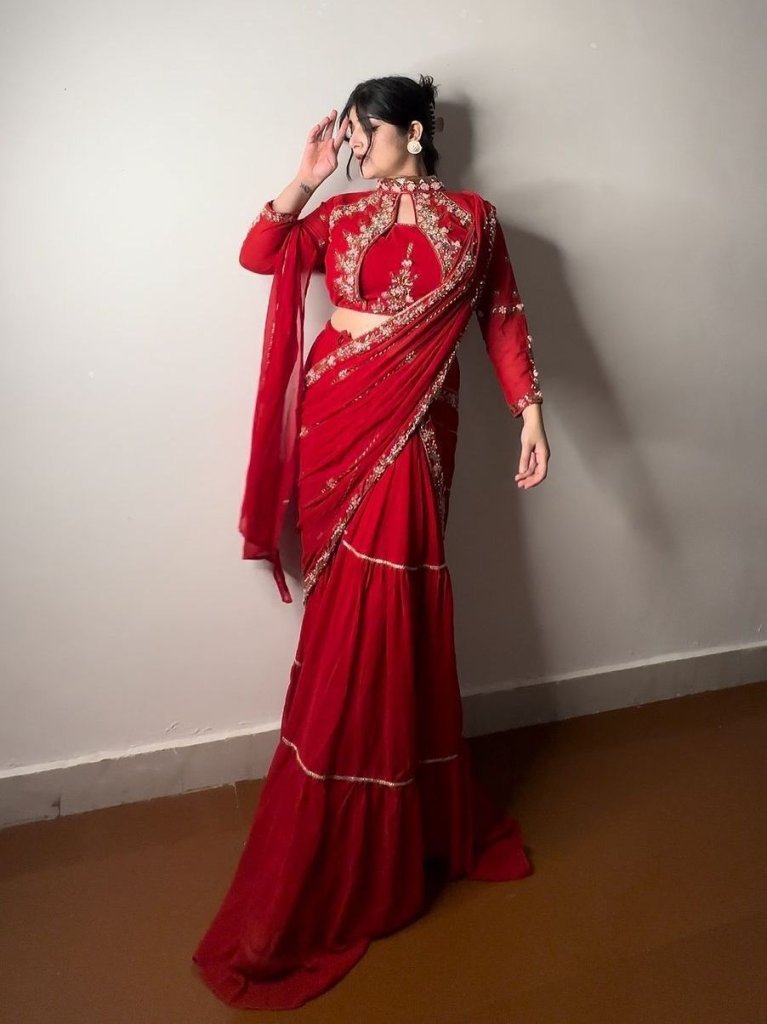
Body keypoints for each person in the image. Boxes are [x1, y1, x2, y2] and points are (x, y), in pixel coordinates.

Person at [192, 74, 550, 1011]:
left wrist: (529, 412)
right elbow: (258, 254)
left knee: (396, 601)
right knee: (348, 606)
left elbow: (501, 316)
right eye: (347, 134)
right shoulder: (336, 215)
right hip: (340, 418)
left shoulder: (475, 220)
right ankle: (347, 794)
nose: (354, 145)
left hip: (420, 423)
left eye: (363, 131)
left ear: (413, 133)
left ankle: (396, 805)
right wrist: (306, 176)